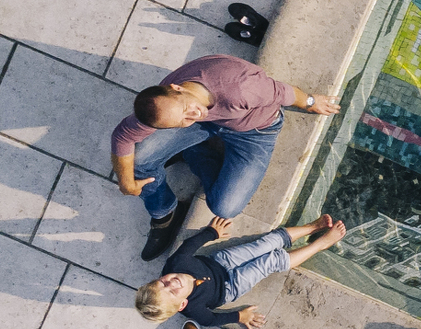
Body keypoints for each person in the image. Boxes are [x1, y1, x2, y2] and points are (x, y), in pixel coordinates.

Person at [111, 54, 341, 261]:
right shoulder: (164, 105)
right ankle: (164, 214)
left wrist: (311, 102)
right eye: (181, 122)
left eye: (186, 110)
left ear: (177, 88)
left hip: (254, 131)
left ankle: (194, 152)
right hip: (210, 124)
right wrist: (126, 183)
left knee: (225, 206)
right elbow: (122, 137)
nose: (193, 115)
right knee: (138, 163)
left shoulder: (241, 89)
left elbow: (284, 92)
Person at [135, 214, 345, 329]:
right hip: (231, 287)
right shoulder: (195, 309)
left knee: (265, 243)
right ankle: (320, 244)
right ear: (182, 305)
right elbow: (212, 319)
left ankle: (313, 227)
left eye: (162, 282)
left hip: (220, 262)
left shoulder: (175, 264)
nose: (171, 282)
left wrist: (211, 233)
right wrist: (240, 316)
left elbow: (188, 246)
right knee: (269, 262)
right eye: (172, 291)